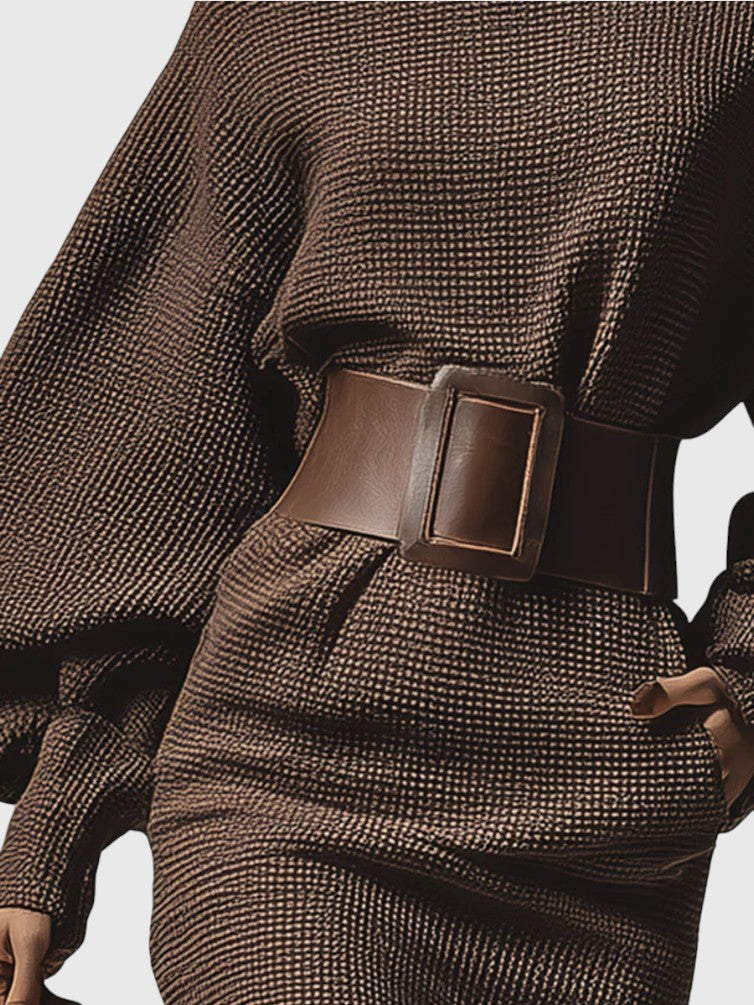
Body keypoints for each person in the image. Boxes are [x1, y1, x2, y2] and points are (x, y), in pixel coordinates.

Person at [1, 3, 754, 1003]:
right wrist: (59, 814)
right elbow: (163, 416)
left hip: (598, 775)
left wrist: (749, 677)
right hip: (284, 744)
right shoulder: (274, 15)